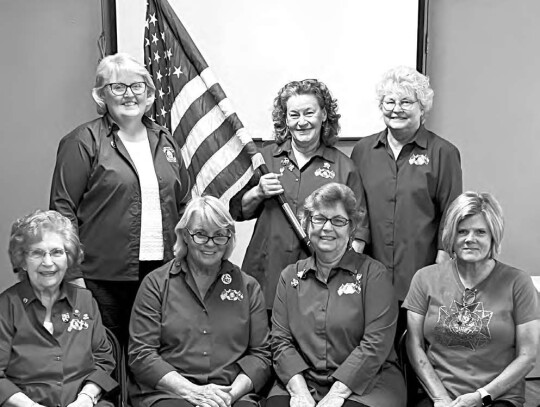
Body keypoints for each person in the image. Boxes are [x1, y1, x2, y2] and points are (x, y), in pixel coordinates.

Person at [50, 53, 191, 346]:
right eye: (118, 87)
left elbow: (184, 204)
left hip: (161, 273)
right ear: (101, 95)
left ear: (149, 93)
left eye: (137, 86)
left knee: (154, 351)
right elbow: (62, 213)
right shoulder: (82, 141)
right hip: (102, 277)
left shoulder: (165, 140)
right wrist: (74, 274)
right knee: (107, 355)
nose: (129, 95)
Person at [230, 79, 369, 311]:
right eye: (294, 115)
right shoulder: (265, 159)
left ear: (323, 115)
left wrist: (342, 276)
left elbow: (358, 232)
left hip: (320, 282)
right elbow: (238, 210)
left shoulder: (344, 167)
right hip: (266, 276)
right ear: (285, 119)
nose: (301, 122)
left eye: (309, 113)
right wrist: (258, 192)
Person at [268, 183, 405, 407]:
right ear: (306, 224)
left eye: (338, 221)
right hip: (303, 379)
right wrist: (300, 392)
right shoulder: (289, 277)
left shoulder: (374, 275)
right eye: (319, 219)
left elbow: (375, 344)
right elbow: (280, 342)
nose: (327, 228)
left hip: (368, 383)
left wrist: (337, 394)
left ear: (351, 228)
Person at [350, 66, 462, 338]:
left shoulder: (443, 152)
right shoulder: (363, 151)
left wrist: (442, 265)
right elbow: (355, 210)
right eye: (390, 101)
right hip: (370, 271)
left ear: (422, 107)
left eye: (406, 102)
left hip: (420, 269)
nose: (396, 109)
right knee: (373, 346)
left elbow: (452, 214)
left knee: (415, 346)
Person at [128, 196, 271, 407]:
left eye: (219, 235)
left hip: (231, 393)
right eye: (201, 235)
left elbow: (261, 356)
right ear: (185, 235)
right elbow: (141, 353)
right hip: (169, 393)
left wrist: (227, 396)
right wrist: (193, 392)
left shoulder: (248, 287)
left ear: (229, 238)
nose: (210, 244)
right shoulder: (156, 284)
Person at [403, 192, 540, 407]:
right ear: (451, 236)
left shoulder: (518, 283)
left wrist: (481, 396)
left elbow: (528, 355)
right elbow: (414, 345)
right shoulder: (424, 278)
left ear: (493, 236)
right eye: (462, 231)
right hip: (438, 395)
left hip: (497, 397)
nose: (469, 239)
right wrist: (440, 398)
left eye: (480, 232)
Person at [0, 210, 117, 407]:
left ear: (68, 257)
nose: (48, 262)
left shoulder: (85, 300)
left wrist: (86, 399)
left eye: (57, 252)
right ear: (23, 261)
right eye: (37, 253)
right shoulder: (6, 306)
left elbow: (104, 360)